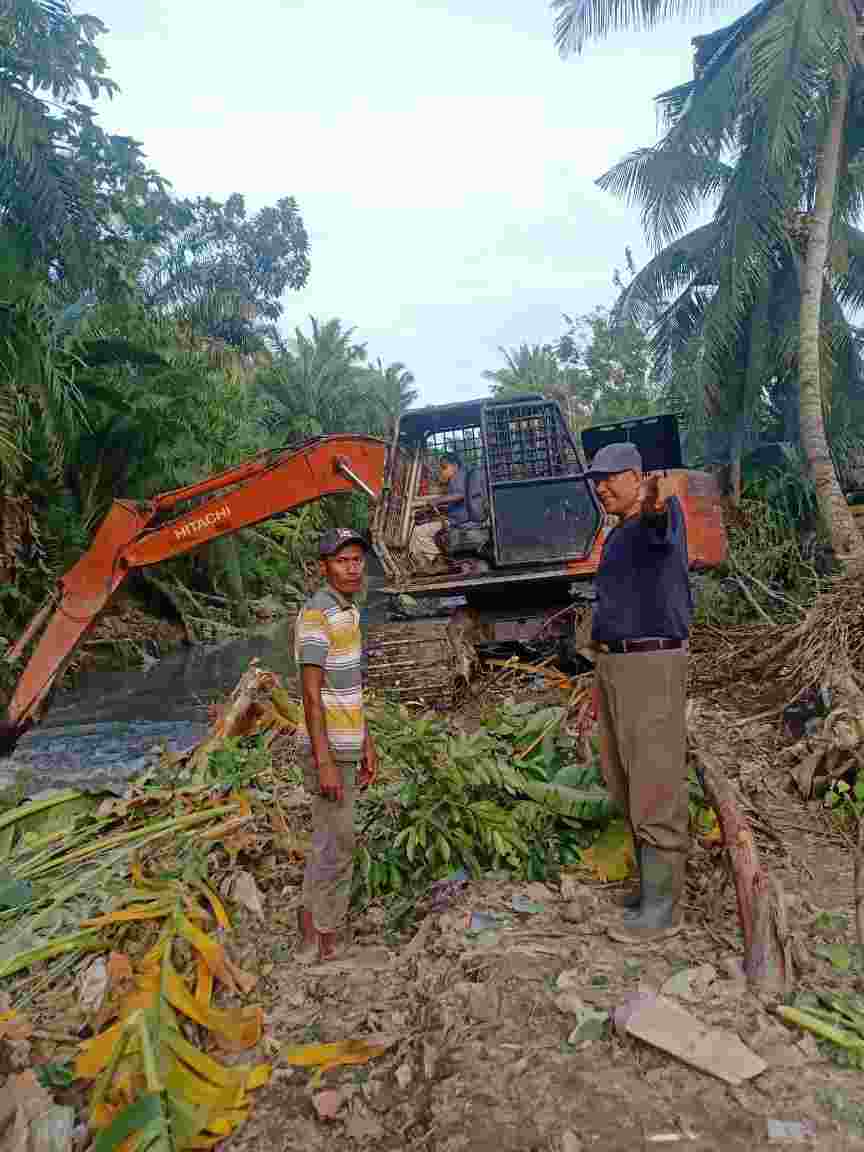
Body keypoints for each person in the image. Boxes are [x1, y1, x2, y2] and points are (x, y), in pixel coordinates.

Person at [585, 442, 692, 945]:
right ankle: (650, 891)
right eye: (596, 479)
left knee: (654, 777)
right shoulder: (620, 532)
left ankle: (665, 908)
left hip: (650, 664)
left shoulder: (656, 517)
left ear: (636, 476)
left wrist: (653, 499)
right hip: (617, 664)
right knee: (625, 776)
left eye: (609, 478)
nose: (600, 487)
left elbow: (657, 515)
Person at [294, 527, 378, 961]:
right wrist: (323, 760)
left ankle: (315, 933)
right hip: (329, 749)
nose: (352, 568)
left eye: (357, 560)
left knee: (332, 838)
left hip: (349, 742)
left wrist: (368, 740)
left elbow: (350, 686)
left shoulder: (350, 612)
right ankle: (323, 936)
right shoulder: (317, 616)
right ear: (323, 566)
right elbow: (312, 694)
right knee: (338, 841)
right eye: (342, 561)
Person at [409, 453, 469, 572]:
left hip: (457, 521)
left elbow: (460, 495)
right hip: (456, 518)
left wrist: (437, 501)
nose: (442, 471)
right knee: (424, 525)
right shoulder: (459, 477)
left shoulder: (458, 477)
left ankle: (439, 560)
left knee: (418, 532)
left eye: (444, 468)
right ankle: (427, 563)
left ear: (455, 466)